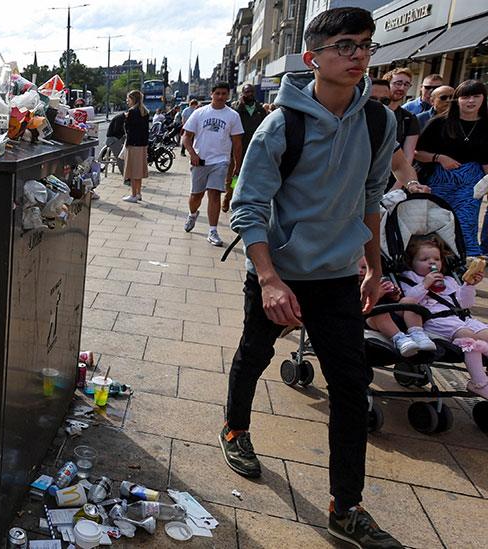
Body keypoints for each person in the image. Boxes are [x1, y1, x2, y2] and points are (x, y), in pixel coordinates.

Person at [226, 7, 402, 548]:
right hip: (281, 273)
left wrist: (374, 265)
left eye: (364, 46)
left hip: (336, 278)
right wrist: (270, 278)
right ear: (313, 58)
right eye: (344, 46)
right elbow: (248, 206)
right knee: (255, 353)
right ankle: (236, 429)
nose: (357, 56)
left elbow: (371, 198)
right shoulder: (283, 125)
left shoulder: (379, 120)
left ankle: (345, 507)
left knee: (352, 387)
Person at [399, 235, 488, 398]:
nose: (432, 263)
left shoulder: (448, 280)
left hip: (460, 318)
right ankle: (478, 383)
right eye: (424, 259)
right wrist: (424, 285)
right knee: (468, 337)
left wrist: (468, 285)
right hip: (436, 321)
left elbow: (464, 304)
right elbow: (407, 302)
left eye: (436, 259)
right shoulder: (409, 278)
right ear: (412, 262)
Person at [415, 80, 488, 255]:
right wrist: (439, 158)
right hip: (439, 179)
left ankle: (465, 263)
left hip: (471, 183)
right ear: (457, 99)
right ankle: (433, 261)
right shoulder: (439, 123)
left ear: (483, 99)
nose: (471, 101)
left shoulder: (486, 125)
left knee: (465, 223)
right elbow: (417, 152)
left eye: (476, 96)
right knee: (436, 223)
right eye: (465, 97)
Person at [181, 82, 244, 246]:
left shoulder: (233, 116)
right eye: (218, 93)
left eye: (224, 94)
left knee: (215, 194)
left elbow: (237, 142)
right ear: (212, 94)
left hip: (221, 161)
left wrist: (238, 164)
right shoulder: (199, 113)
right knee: (196, 195)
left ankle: (213, 230)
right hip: (200, 160)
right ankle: (192, 214)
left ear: (228, 95)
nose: (221, 97)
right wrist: (192, 154)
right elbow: (186, 137)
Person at [358, 258, 436, 357]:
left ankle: (418, 334)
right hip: (371, 319)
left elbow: (395, 302)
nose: (360, 271)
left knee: (409, 301)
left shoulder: (379, 281)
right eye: (356, 268)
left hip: (394, 316)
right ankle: (400, 340)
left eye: (365, 268)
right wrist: (377, 294)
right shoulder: (351, 287)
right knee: (381, 312)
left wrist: (394, 295)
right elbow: (358, 308)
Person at [370, 79, 430, 193]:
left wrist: (412, 184)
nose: (378, 105)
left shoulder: (384, 130)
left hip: (371, 200)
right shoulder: (340, 125)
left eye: (384, 101)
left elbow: (399, 165)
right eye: (372, 100)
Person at [228, 83, 267, 211]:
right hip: (238, 147)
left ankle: (242, 200)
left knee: (250, 176)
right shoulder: (236, 109)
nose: (249, 94)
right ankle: (230, 195)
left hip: (254, 148)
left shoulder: (260, 109)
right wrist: (240, 105)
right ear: (242, 94)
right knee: (235, 173)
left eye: (251, 92)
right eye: (246, 92)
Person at [382, 68, 420, 163]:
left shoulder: (409, 119)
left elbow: (408, 156)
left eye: (406, 84)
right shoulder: (372, 111)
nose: (402, 88)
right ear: (387, 84)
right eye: (398, 83)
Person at [121, 90, 150, 203]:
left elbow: (128, 129)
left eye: (128, 99)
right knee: (139, 171)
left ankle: (133, 195)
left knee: (133, 171)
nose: (127, 101)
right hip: (142, 145)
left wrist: (126, 118)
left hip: (133, 144)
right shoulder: (145, 111)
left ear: (133, 99)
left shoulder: (132, 111)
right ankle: (138, 193)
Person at [104, 111, 126, 176]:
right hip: (113, 139)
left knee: (122, 156)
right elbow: (117, 130)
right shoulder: (120, 118)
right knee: (120, 158)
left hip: (115, 138)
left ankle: (126, 173)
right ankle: (125, 175)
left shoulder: (121, 118)